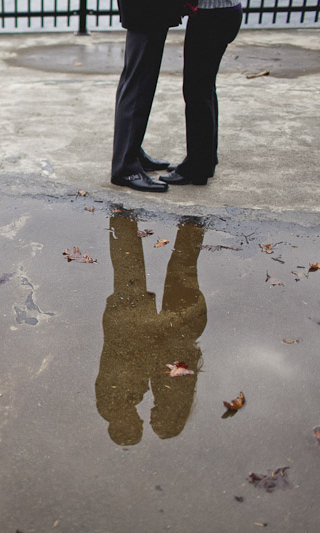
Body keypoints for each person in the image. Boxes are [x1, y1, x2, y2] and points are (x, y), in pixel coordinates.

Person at [95, 212, 206, 445]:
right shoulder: (122, 401)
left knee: (171, 272)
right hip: (150, 327)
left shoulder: (122, 400)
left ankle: (188, 226)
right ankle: (123, 218)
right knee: (135, 271)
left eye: (140, 424)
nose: (144, 420)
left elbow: (136, 358)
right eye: (150, 422)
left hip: (145, 327)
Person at [111, 0, 190, 193]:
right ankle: (126, 167)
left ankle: (131, 153)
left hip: (148, 10)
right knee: (138, 84)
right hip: (146, 9)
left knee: (137, 80)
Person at [162, 0, 243, 186]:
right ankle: (206, 160)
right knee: (204, 88)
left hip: (211, 15)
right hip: (225, 11)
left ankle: (196, 167)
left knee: (196, 91)